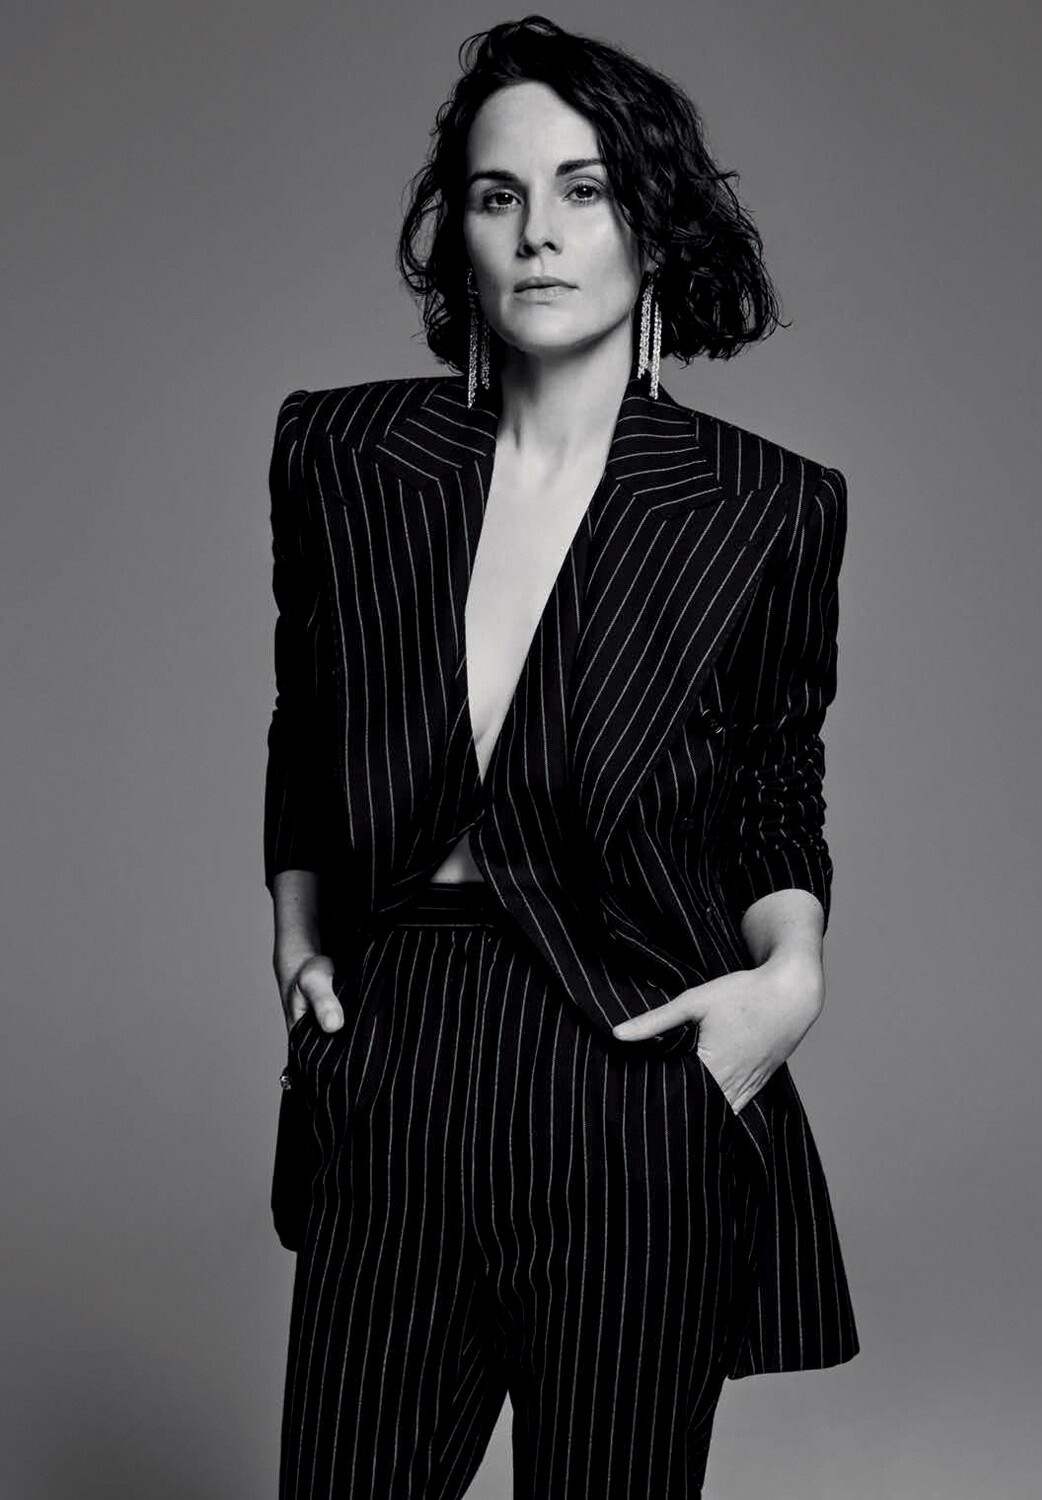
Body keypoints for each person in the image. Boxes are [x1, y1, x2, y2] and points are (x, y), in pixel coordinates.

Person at [264, 15, 859, 1498]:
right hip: (399, 1048)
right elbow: (307, 719)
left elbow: (774, 781)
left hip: (633, 1059)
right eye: (497, 194)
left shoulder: (765, 504)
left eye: (584, 191)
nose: (537, 233)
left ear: (655, 227)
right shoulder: (344, 458)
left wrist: (789, 976)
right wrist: (295, 928)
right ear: (457, 234)